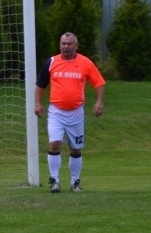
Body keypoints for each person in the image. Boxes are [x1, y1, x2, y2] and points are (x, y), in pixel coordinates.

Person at [34, 32, 105, 193]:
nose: (66, 47)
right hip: (56, 112)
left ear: (76, 46)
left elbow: (99, 83)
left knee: (75, 148)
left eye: (69, 44)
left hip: (76, 113)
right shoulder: (52, 62)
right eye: (63, 44)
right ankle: (54, 181)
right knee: (54, 144)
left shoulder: (85, 63)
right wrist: (38, 103)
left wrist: (100, 101)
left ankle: (75, 182)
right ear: (60, 45)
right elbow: (40, 85)